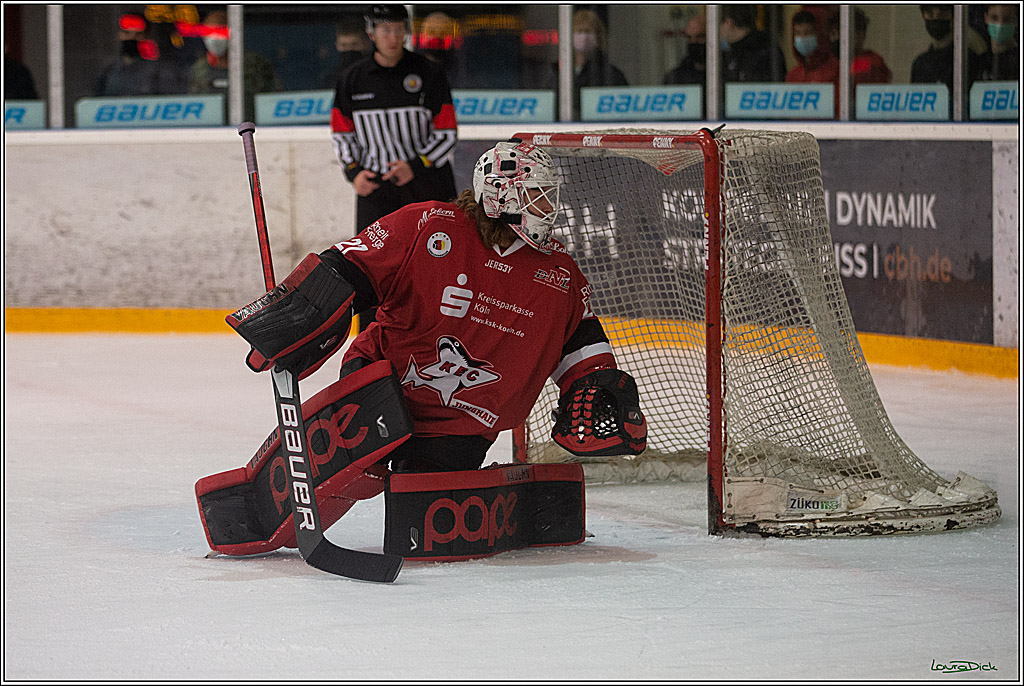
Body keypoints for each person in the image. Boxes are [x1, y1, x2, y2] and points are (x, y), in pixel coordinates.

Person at [200, 141, 647, 556]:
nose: (549, 209)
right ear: (502, 200)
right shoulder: (430, 225)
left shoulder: (559, 274)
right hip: (382, 381)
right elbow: (349, 266)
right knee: (358, 470)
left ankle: (499, 488)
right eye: (538, 196)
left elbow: (581, 342)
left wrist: (596, 385)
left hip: (465, 421)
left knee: (421, 515)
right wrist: (304, 313)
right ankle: (270, 513)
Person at [330, 5, 459, 330]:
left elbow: (447, 132)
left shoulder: (429, 73)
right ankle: (370, 344)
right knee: (371, 271)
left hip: (427, 188)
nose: (393, 36)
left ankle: (442, 335)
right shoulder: (351, 80)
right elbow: (342, 133)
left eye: (398, 29)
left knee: (438, 264)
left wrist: (416, 165)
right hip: (377, 191)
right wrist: (354, 172)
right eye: (385, 30)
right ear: (371, 33)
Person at [187, 9, 281, 123]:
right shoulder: (199, 69)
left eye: (219, 31)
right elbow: (194, 106)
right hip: (210, 132)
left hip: (251, 130)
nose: (214, 38)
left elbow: (273, 101)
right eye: (208, 32)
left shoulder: (255, 65)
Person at [94, 12, 188, 96]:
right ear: (120, 34)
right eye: (127, 32)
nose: (132, 37)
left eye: (138, 34)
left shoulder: (161, 71)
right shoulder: (109, 71)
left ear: (146, 35)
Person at [911, 4, 979, 107]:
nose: (936, 18)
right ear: (923, 16)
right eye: (930, 14)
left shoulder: (967, 59)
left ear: (953, 17)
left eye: (942, 14)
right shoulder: (920, 64)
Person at [568, 9, 628, 118]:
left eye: (588, 32)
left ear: (598, 37)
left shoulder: (611, 74)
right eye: (579, 31)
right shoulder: (559, 72)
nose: (583, 37)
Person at [786, 10, 840, 116]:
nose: (802, 37)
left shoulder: (836, 70)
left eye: (808, 32)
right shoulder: (793, 75)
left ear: (819, 34)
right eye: (798, 33)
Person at [720, 4, 786, 83]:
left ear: (728, 23)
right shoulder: (728, 52)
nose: (718, 31)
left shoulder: (764, 50)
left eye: (719, 25)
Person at [827, 8, 892, 85]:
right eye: (833, 33)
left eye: (838, 32)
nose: (835, 37)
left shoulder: (871, 62)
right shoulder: (825, 61)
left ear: (861, 34)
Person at [318, 16, 371, 89]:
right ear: (337, 46)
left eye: (355, 44)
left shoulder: (376, 75)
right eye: (344, 45)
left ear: (366, 44)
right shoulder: (332, 79)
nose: (349, 49)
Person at [663, 13, 707, 86]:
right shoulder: (676, 77)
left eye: (700, 36)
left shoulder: (726, 70)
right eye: (689, 37)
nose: (693, 41)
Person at [977, 4, 1019, 80]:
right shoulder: (980, 62)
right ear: (986, 18)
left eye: (1007, 19)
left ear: (1016, 21)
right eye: (994, 18)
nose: (1000, 24)